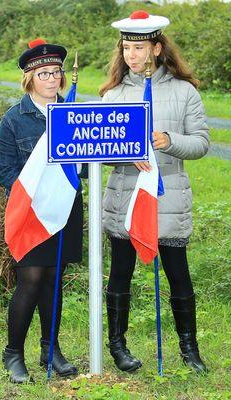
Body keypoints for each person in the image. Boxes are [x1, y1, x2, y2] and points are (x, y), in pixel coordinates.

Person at [100, 10, 209, 374]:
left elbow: (201, 143)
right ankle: (118, 347)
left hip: (169, 198)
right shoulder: (112, 94)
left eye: (139, 47)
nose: (132, 55)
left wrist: (170, 141)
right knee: (120, 274)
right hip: (125, 197)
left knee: (179, 275)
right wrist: (126, 153)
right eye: (126, 48)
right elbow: (98, 150)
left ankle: (189, 351)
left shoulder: (184, 92)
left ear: (157, 48)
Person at [0, 39, 83, 383]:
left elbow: (88, 160)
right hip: (31, 211)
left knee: (53, 280)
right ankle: (13, 353)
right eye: (43, 73)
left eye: (56, 72)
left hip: (66, 208)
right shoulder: (15, 119)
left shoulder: (75, 112)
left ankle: (51, 349)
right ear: (29, 78)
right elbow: (5, 170)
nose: (51, 79)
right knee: (30, 279)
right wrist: (35, 197)